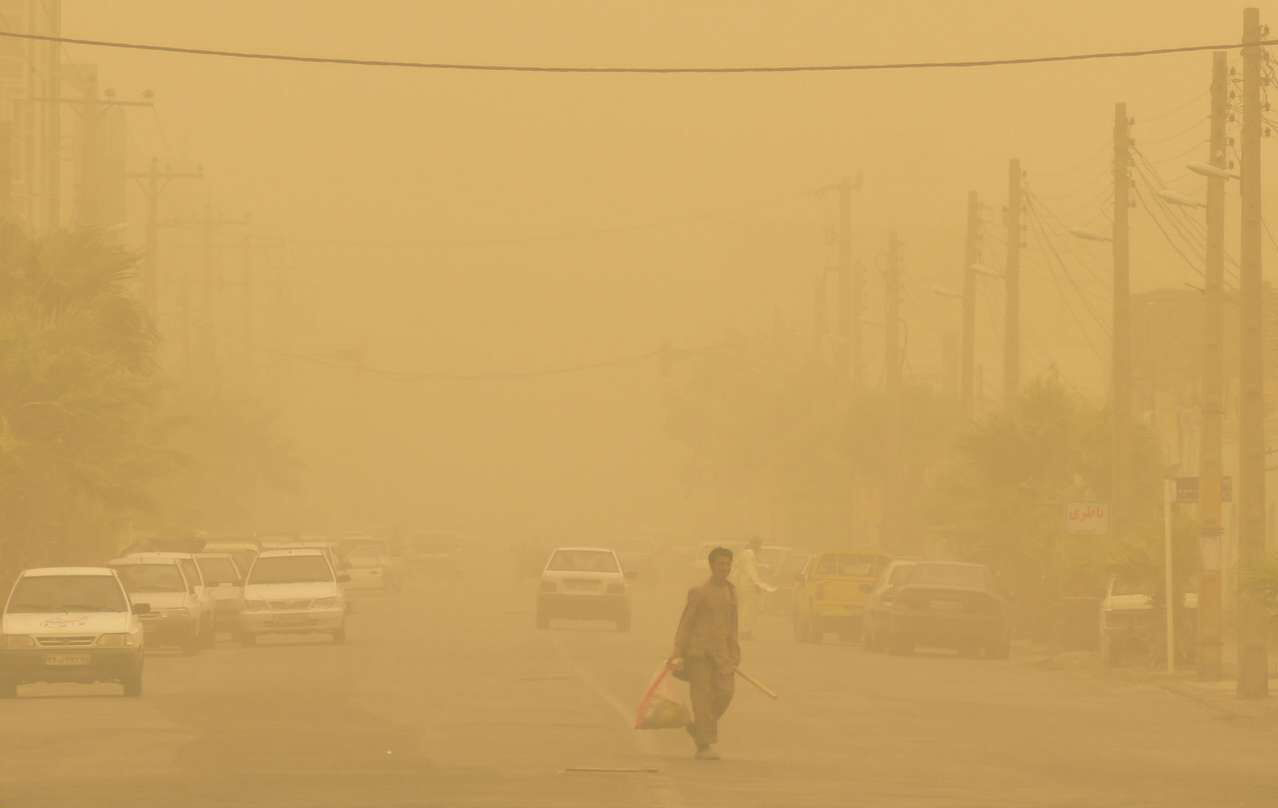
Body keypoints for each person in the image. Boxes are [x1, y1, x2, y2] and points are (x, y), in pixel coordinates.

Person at [669, 546, 740, 761]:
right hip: (698, 654)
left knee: (725, 693)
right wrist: (677, 652)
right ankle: (704, 745)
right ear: (711, 566)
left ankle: (700, 728)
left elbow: (733, 626)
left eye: (727, 564)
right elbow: (686, 623)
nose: (724, 568)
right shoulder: (699, 592)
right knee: (701, 698)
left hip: (722, 655)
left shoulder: (731, 592)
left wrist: (734, 653)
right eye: (720, 564)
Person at [732, 537, 777, 640]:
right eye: (759, 544)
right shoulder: (749, 554)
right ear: (755, 544)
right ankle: (745, 631)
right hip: (748, 585)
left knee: (746, 608)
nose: (760, 547)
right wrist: (758, 584)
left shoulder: (746, 553)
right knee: (749, 608)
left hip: (744, 584)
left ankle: (744, 631)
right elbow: (751, 571)